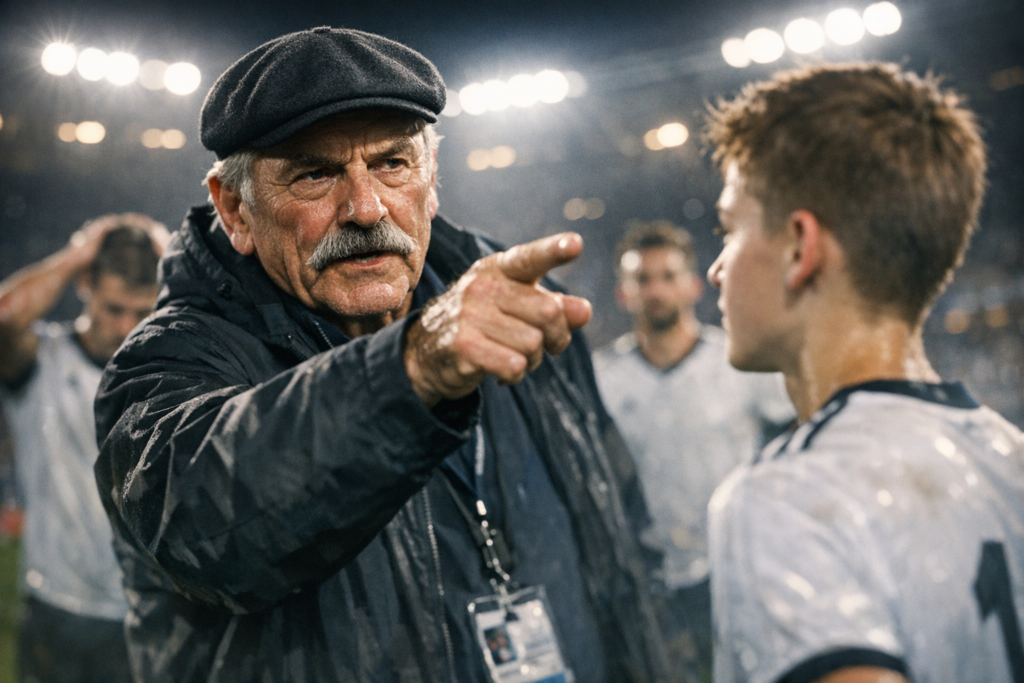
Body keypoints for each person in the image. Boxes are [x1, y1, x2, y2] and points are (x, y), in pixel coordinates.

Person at [92, 27, 669, 683]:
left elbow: (619, 527)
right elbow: (206, 523)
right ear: (235, 209)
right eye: (315, 173)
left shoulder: (520, 305)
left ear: (433, 180)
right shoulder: (169, 361)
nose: (366, 208)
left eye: (393, 163)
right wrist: (414, 366)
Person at [703, 62, 1020, 683]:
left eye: (729, 229)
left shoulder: (789, 496)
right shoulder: (1011, 456)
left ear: (800, 247)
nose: (717, 270)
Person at [593, 221, 793, 678]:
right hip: (654, 583)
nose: (656, 289)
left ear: (693, 286)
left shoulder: (739, 361)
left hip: (741, 571)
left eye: (667, 276)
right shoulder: (604, 380)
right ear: (624, 293)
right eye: (642, 279)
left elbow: (791, 446)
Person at [0, 213, 166, 683]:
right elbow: (5, 315)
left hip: (144, 607)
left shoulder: (166, 374)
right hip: (56, 605)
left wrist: (173, 254)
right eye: (113, 308)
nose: (125, 328)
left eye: (140, 313)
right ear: (85, 286)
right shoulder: (44, 360)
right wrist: (77, 253)